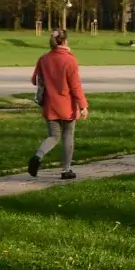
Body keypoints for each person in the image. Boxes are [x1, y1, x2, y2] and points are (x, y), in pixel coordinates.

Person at [28, 29, 88, 180]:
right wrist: (83, 105)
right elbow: (75, 86)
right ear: (65, 41)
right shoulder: (70, 60)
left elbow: (35, 80)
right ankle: (66, 170)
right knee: (68, 135)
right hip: (67, 105)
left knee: (53, 136)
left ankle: (37, 157)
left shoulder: (44, 59)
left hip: (50, 103)